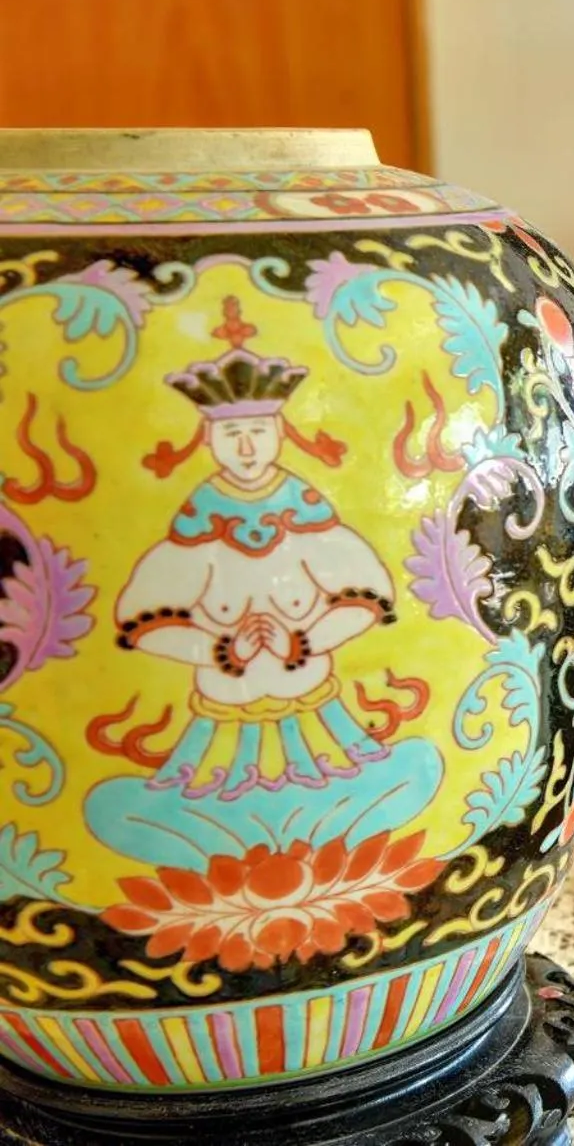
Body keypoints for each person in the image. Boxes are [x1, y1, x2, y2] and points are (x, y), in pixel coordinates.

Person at [86, 298, 441, 871]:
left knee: (374, 788)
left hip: (321, 725)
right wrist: (222, 648)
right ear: (207, 442)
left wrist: (300, 642)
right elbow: (142, 623)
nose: (245, 448)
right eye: (230, 436)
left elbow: (367, 600)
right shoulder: (194, 537)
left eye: (257, 431)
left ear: (281, 433)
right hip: (219, 734)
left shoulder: (313, 524)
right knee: (174, 814)